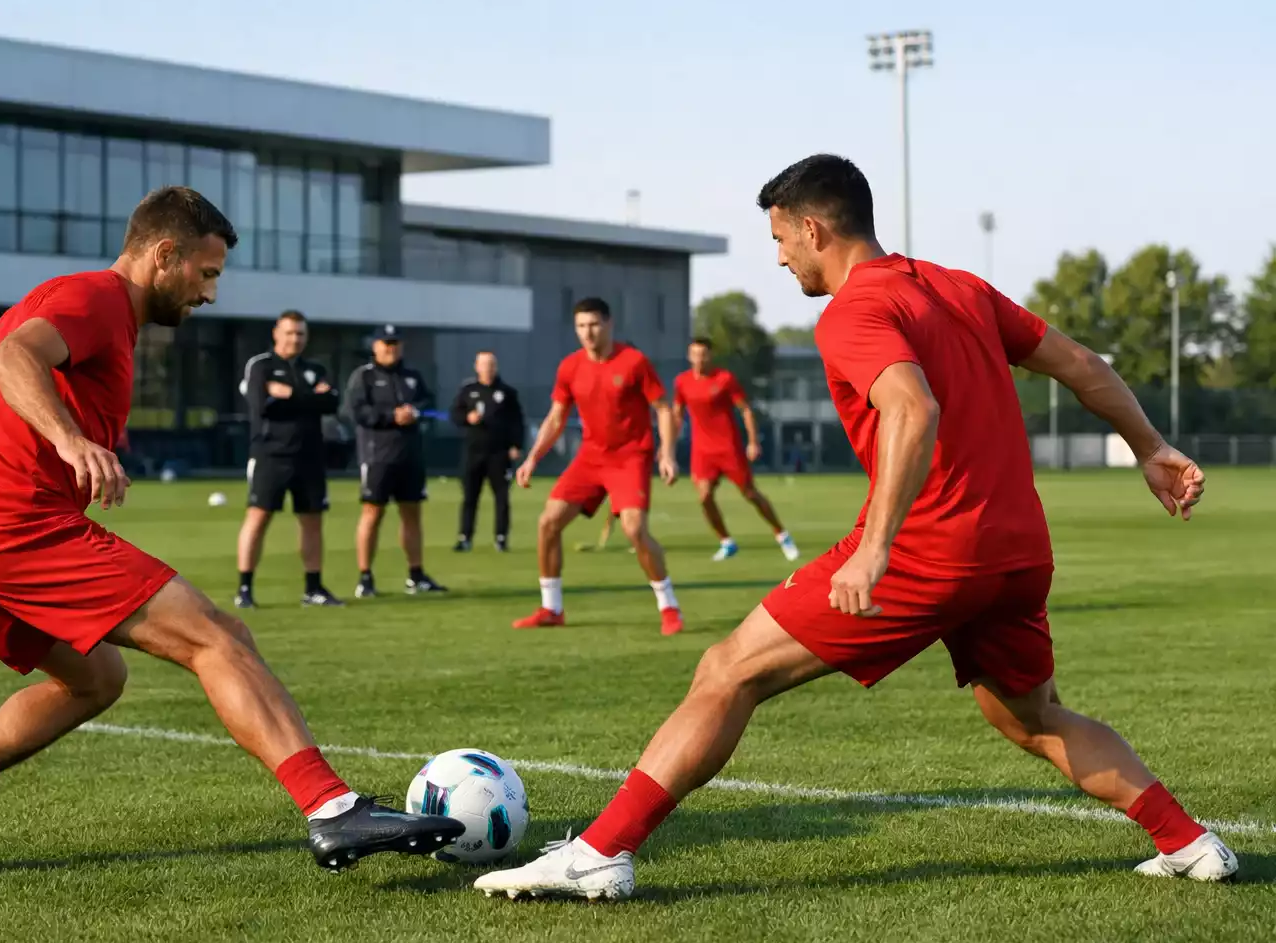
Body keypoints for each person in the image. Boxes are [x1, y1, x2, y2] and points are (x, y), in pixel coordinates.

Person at [476, 154, 1235, 900]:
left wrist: (874, 549)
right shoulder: (960, 287)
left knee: (728, 670)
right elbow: (1080, 361)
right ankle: (1188, 842)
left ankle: (601, 852)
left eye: (779, 241)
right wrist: (1152, 447)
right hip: (1017, 551)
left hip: (930, 547)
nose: (778, 258)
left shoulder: (853, 310)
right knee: (1034, 715)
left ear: (813, 228)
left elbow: (913, 407)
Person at [0, 186, 463, 872]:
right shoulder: (98, 299)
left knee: (95, 680)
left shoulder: (64, 298)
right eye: (206, 274)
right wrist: (65, 445)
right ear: (163, 255)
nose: (209, 294)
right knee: (217, 635)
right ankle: (333, 810)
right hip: (15, 526)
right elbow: (11, 361)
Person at [512, 297, 684, 636]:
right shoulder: (570, 367)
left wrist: (667, 453)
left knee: (635, 530)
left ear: (609, 324)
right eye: (580, 326)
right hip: (591, 457)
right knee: (548, 522)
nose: (587, 332)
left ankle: (669, 607)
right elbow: (557, 417)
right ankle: (552, 608)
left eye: (593, 324)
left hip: (630, 456)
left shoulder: (634, 362)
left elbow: (663, 410)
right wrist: (533, 457)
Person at [235, 310, 344, 609]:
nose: (295, 339)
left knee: (312, 521)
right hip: (270, 454)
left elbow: (332, 402)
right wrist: (310, 398)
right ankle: (245, 588)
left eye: (300, 334)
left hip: (310, 456)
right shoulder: (260, 366)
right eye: (289, 332)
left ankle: (313, 588)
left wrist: (290, 394)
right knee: (258, 517)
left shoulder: (315, 368)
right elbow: (262, 406)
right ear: (276, 333)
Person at [342, 324, 448, 598]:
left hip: (410, 455)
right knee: (372, 513)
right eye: (386, 343)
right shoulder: (363, 376)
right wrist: (391, 416)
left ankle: (416, 575)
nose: (391, 348)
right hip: (378, 456)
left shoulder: (411, 375)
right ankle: (365, 577)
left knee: (412, 514)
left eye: (396, 343)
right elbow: (357, 411)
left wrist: (415, 411)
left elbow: (427, 401)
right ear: (375, 346)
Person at [674, 337, 799, 563]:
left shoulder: (725, 379)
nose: (699, 359)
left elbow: (746, 410)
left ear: (710, 356)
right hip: (702, 451)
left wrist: (753, 441)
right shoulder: (682, 382)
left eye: (703, 354)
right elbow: (677, 414)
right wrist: (667, 448)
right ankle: (726, 542)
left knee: (750, 493)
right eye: (695, 354)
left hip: (728, 448)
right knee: (704, 497)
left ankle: (782, 534)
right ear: (688, 356)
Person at [449, 351, 525, 553]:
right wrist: (467, 417)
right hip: (474, 452)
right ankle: (465, 537)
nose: (488, 369)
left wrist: (516, 445)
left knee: (501, 498)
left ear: (496, 367)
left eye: (491, 364)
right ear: (477, 366)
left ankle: (501, 538)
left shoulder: (507, 393)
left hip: (499, 454)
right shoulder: (468, 390)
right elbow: (455, 414)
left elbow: (517, 421)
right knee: (469, 497)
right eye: (484, 365)